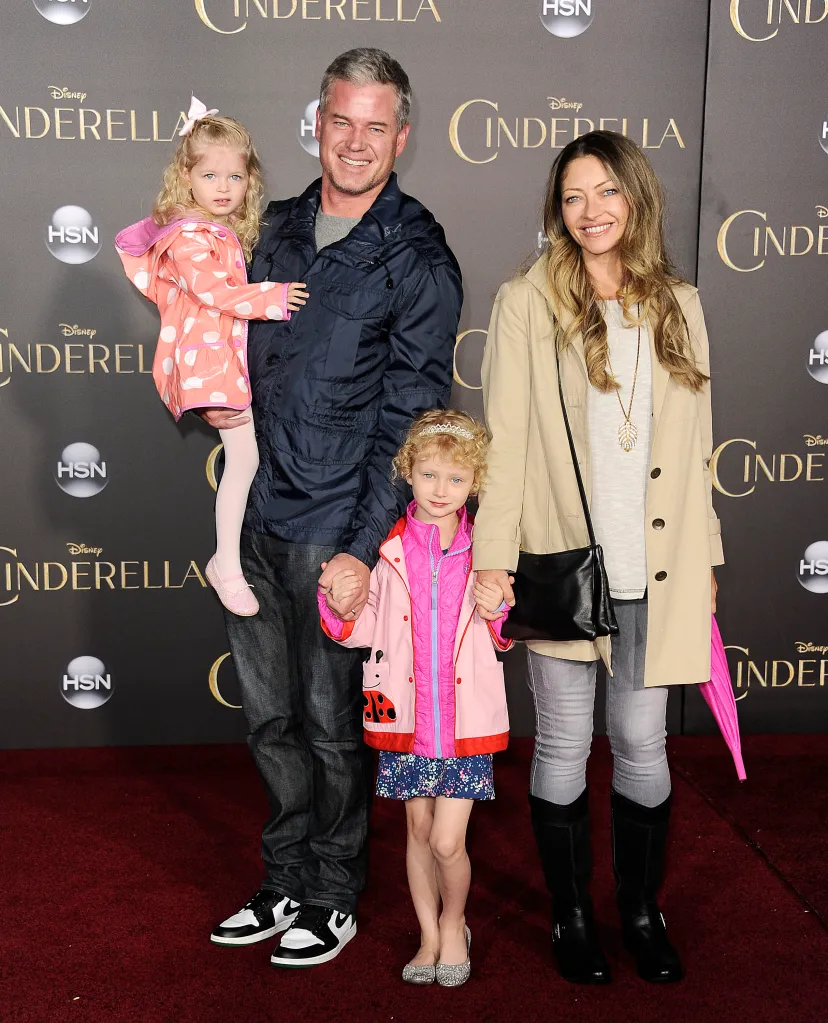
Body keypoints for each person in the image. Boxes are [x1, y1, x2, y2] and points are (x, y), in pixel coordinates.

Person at [202, 50, 462, 967]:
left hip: (333, 528)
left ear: (403, 134)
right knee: (268, 721)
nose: (356, 142)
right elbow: (206, 318)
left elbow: (414, 417)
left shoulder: (418, 254)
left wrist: (361, 546)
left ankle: (334, 891)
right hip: (254, 517)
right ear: (318, 121)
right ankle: (283, 876)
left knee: (327, 723)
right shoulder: (267, 227)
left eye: (376, 126)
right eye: (341, 121)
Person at [473, 130, 723, 985]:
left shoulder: (680, 304)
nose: (591, 212)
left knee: (644, 742)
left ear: (637, 198)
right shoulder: (526, 301)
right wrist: (492, 559)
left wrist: (709, 554)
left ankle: (642, 910)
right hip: (561, 561)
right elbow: (504, 442)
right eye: (574, 196)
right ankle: (572, 914)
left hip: (658, 566)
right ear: (557, 209)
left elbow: (698, 451)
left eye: (607, 192)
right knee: (565, 745)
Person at [318, 410, 511, 987]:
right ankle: (429, 936)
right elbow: (363, 627)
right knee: (419, 834)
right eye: (429, 475)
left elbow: (503, 633)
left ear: (474, 484)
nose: (440, 490)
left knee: (450, 840)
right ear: (408, 473)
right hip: (405, 721)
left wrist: (497, 605)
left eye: (455, 480)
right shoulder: (388, 550)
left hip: (464, 724)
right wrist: (341, 604)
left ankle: (457, 925)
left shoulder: (487, 551)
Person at [115, 100, 308, 617]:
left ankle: (228, 559)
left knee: (245, 458)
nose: (224, 187)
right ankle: (226, 561)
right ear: (186, 177)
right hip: (206, 363)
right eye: (209, 174)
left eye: (235, 176)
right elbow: (214, 292)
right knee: (244, 458)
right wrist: (273, 296)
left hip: (222, 356)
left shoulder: (214, 231)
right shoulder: (186, 237)